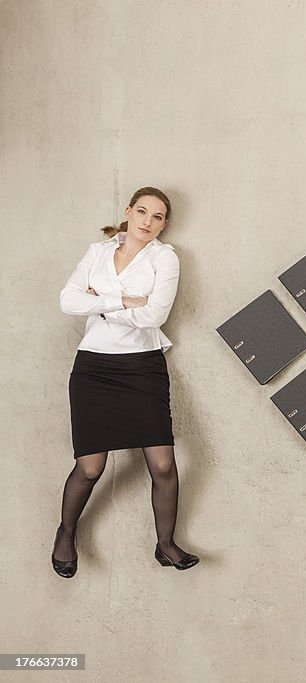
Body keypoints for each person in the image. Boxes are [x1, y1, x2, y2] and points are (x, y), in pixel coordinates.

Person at [52, 186, 199, 578]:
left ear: (164, 224)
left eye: (158, 217)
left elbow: (154, 317)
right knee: (89, 468)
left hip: (142, 368)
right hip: (94, 369)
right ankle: (66, 533)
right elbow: (67, 300)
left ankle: (165, 544)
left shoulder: (165, 258)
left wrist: (99, 301)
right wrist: (125, 301)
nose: (148, 222)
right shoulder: (97, 251)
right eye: (143, 212)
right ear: (129, 211)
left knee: (164, 464)